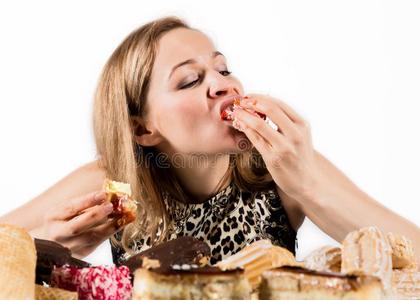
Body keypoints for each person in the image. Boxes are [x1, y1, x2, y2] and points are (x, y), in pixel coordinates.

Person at [1, 16, 419, 265]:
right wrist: (41, 247)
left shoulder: (279, 166)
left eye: (223, 69)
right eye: (189, 80)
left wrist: (308, 183)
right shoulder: (114, 182)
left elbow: (411, 254)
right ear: (142, 129)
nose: (223, 85)